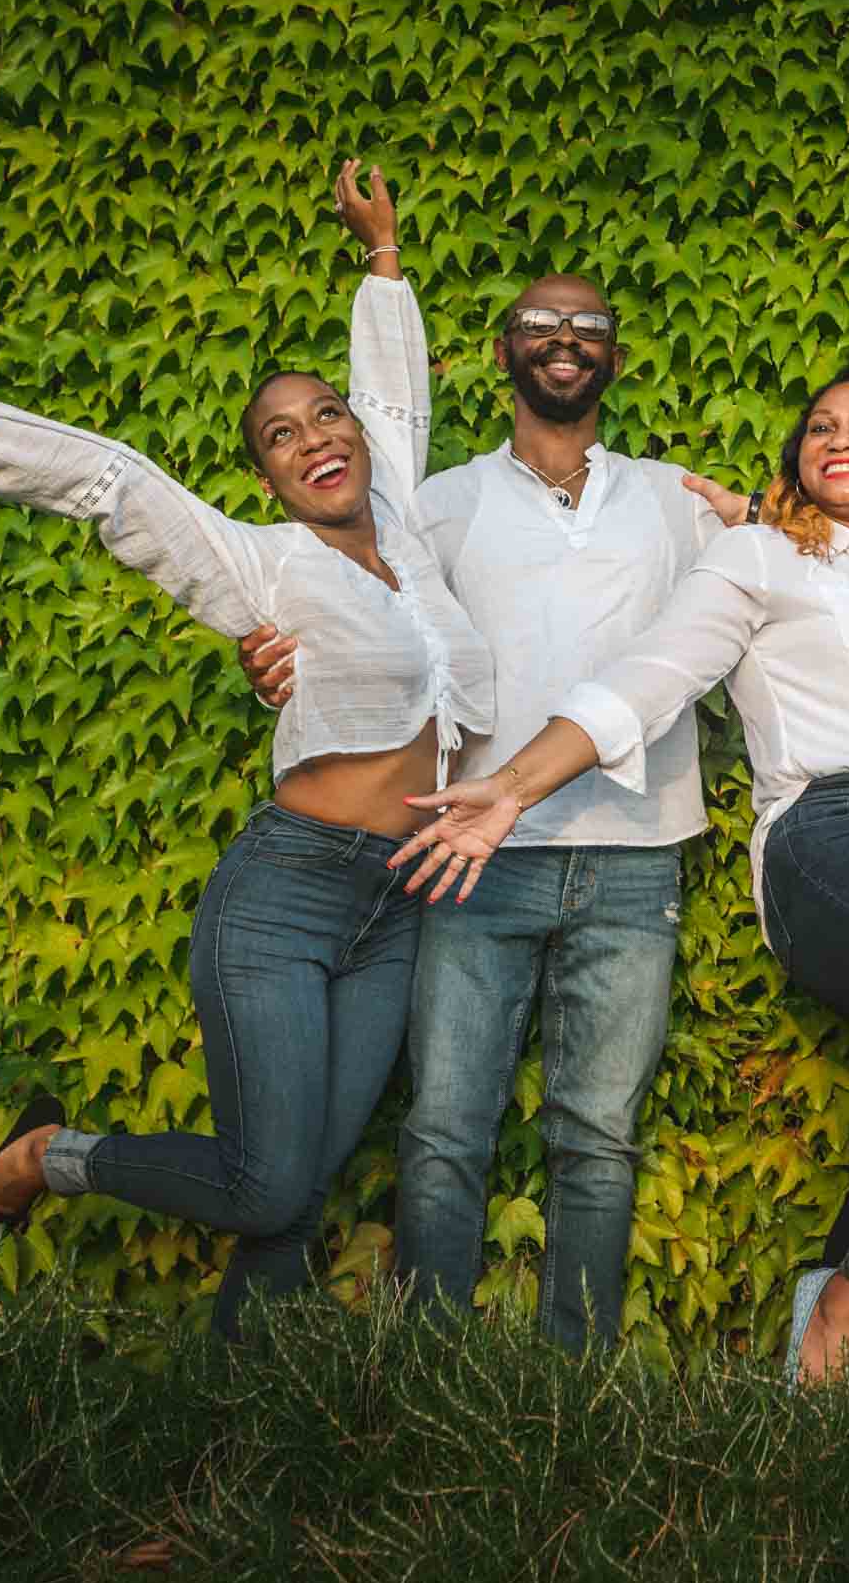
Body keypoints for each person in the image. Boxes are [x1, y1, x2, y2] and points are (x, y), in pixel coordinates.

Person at [0, 162, 493, 1342]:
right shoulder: (256, 561)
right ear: (261, 474)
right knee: (266, 1180)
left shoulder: (406, 527)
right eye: (279, 434)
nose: (314, 436)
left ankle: (234, 1442)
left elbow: (398, 400)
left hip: (402, 902)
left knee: (294, 1196)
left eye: (325, 417)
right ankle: (48, 1157)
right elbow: (109, 479)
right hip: (289, 892)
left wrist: (384, 259)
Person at [393, 367, 849, 1384]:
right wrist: (512, 780)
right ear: (794, 457)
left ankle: (815, 1402)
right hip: (839, 838)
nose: (840, 437)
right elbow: (650, 674)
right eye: (820, 425)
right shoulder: (759, 558)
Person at [239, 266, 746, 1351]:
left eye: (587, 326)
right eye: (539, 325)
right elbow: (361, 613)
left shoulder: (676, 498)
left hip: (638, 852)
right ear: (506, 350)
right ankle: (429, 1374)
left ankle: (575, 1387)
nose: (565, 340)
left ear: (611, 353)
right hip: (473, 853)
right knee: (442, 1134)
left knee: (600, 1139)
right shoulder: (439, 505)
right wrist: (275, 658)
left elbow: (762, 618)